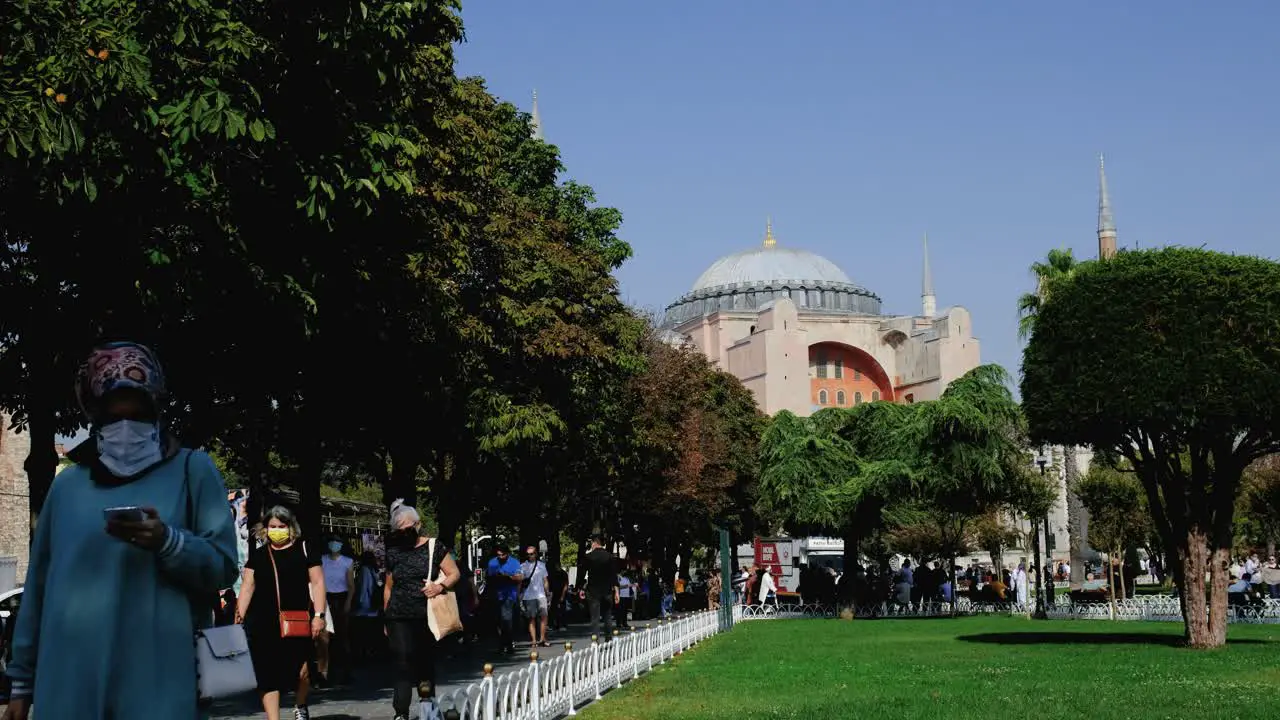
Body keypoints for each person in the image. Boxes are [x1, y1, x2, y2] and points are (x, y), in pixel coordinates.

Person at [2, 341, 238, 720]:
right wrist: (21, 683)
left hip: (160, 690)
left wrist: (170, 543)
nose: (126, 425)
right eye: (113, 415)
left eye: (138, 413)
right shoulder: (67, 487)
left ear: (157, 409)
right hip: (68, 689)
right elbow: (39, 589)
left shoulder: (193, 471)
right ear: (94, 415)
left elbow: (224, 566)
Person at [236, 506, 327, 720]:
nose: (277, 530)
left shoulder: (304, 549)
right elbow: (247, 586)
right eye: (272, 527)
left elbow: (318, 582)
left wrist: (319, 615)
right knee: (267, 674)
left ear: (290, 527)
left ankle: (300, 705)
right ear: (265, 529)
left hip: (297, 619)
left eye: (281, 526)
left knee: (302, 671)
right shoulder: (259, 555)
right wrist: (238, 618)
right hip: (264, 622)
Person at [384, 501, 461, 720]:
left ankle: (428, 707)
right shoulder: (394, 551)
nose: (403, 533)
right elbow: (388, 587)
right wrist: (385, 617)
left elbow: (454, 573)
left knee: (423, 660)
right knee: (401, 660)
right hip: (397, 614)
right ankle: (401, 712)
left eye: (407, 528)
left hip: (425, 614)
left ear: (418, 525)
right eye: (399, 530)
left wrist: (440, 586)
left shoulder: (434, 547)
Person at [317, 537, 354, 684]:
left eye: (337, 541)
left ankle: (346, 672)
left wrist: (348, 602)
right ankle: (323, 673)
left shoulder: (347, 561)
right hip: (326, 598)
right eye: (332, 541)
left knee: (343, 637)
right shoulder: (322, 560)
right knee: (323, 638)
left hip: (341, 598)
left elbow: (351, 585)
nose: (334, 544)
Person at [486, 545, 523, 654]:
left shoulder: (514, 562)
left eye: (503, 555)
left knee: (506, 619)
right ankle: (504, 641)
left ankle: (506, 644)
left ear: (507, 554)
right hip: (496, 594)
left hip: (509, 594)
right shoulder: (492, 563)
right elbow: (488, 577)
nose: (501, 557)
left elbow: (520, 577)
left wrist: (508, 576)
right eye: (499, 555)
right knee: (498, 620)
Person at [580, 535, 619, 639]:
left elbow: (583, 574)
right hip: (607, 590)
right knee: (607, 616)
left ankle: (595, 640)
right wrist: (617, 592)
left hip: (593, 590)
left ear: (594, 543)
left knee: (595, 617)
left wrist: (581, 588)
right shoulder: (610, 557)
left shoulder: (589, 557)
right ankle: (608, 638)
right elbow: (613, 576)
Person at [520, 546, 551, 647]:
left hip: (541, 594)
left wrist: (547, 593)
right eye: (528, 554)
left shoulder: (542, 565)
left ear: (536, 553)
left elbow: (545, 580)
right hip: (528, 596)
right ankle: (534, 640)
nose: (530, 556)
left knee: (544, 617)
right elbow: (520, 582)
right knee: (531, 618)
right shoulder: (523, 566)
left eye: (532, 553)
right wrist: (518, 594)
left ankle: (542, 638)